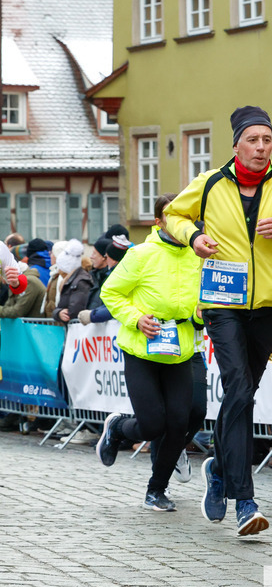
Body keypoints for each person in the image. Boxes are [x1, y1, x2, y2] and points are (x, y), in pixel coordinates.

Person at [163, 105, 272, 536]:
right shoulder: (211, 183)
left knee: (244, 394)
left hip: (267, 304)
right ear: (236, 145)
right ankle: (244, 499)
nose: (260, 147)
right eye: (252, 140)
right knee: (237, 386)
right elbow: (173, 216)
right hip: (222, 298)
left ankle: (218, 468)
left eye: (267, 139)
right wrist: (194, 237)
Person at [95, 195, 202, 512]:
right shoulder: (140, 254)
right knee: (153, 425)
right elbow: (110, 292)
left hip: (179, 352)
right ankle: (117, 428)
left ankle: (157, 490)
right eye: (173, 217)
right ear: (158, 222)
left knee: (179, 424)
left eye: (187, 217)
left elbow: (202, 306)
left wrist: (200, 316)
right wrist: (136, 318)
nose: (182, 224)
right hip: (141, 351)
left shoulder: (199, 257)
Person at [52, 240, 93, 325]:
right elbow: (61, 307)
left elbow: (74, 312)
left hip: (78, 329)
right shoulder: (70, 280)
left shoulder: (81, 281)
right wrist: (58, 313)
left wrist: (59, 313)